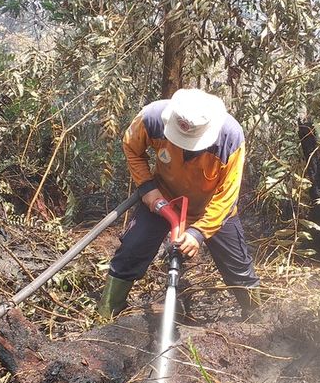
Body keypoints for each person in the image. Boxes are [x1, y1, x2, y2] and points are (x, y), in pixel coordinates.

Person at [97, 88, 261, 320]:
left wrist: (198, 232)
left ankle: (258, 319)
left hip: (212, 208)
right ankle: (106, 314)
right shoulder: (152, 118)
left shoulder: (230, 137)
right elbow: (131, 147)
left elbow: (227, 194)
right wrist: (147, 188)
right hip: (163, 199)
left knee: (239, 269)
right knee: (131, 250)